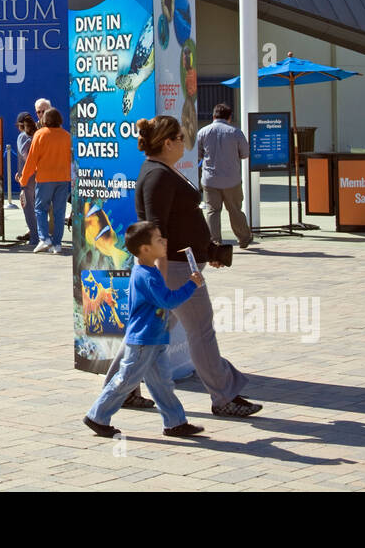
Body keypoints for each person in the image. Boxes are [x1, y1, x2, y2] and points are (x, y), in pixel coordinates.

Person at [109, 115, 262, 418]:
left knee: (146, 333)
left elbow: (177, 223)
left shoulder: (162, 171)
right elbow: (156, 229)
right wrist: (162, 279)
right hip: (176, 272)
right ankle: (224, 396)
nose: (184, 142)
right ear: (167, 143)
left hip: (180, 267)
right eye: (180, 137)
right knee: (201, 332)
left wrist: (208, 250)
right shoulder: (158, 175)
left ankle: (121, 389)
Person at [83, 221, 205, 438]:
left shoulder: (148, 270)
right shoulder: (147, 276)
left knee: (162, 384)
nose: (164, 241)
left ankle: (175, 422)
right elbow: (168, 301)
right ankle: (97, 416)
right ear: (145, 249)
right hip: (143, 341)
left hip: (154, 338)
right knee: (126, 380)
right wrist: (191, 285)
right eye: (159, 239)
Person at [196, 102, 253, 249]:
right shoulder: (236, 132)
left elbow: (197, 154)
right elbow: (245, 154)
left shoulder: (202, 132)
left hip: (209, 179)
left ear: (213, 116)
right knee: (235, 210)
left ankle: (214, 242)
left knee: (212, 211)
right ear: (229, 117)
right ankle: (244, 238)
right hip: (231, 179)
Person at [16, 107, 72, 254]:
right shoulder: (67, 136)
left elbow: (31, 160)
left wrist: (23, 179)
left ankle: (44, 239)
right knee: (60, 212)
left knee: (40, 209)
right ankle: (57, 244)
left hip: (45, 179)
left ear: (45, 120)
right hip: (63, 178)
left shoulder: (40, 135)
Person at [15, 112, 38, 246]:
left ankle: (35, 237)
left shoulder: (22, 137)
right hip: (40, 175)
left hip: (28, 177)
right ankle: (41, 235)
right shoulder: (38, 134)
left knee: (28, 207)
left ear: (20, 125)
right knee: (39, 208)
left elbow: (26, 156)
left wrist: (22, 173)